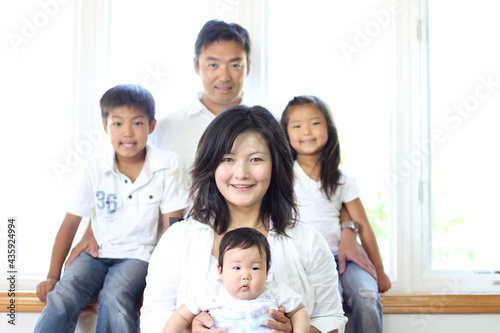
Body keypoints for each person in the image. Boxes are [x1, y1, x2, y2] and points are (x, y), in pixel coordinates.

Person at [140, 105, 347, 333]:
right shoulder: (178, 240)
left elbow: (330, 320)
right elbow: (153, 318)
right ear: (211, 165)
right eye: (228, 159)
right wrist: (189, 331)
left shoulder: (308, 242)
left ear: (276, 166)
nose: (241, 173)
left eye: (256, 159)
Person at [34, 84, 189, 333]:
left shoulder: (168, 166)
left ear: (151, 126)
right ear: (105, 126)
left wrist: (171, 276)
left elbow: (173, 228)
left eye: (137, 123)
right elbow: (70, 223)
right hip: (96, 253)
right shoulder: (93, 169)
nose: (127, 132)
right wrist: (52, 275)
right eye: (117, 123)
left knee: (115, 296)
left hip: (139, 256)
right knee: (63, 294)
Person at [280, 95, 391, 333]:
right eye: (297, 125)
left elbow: (363, 225)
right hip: (306, 261)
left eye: (315, 123)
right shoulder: (283, 176)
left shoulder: (342, 180)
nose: (307, 131)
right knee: (328, 304)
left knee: (368, 296)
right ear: (285, 133)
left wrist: (380, 273)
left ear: (329, 128)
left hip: (343, 258)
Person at [163, 227, 310, 333]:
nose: (245, 275)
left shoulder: (275, 291)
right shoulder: (211, 292)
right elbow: (181, 315)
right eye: (237, 268)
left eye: (255, 268)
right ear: (220, 270)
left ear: (267, 271)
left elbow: (299, 310)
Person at [150, 19, 252, 169]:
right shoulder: (163, 129)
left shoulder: (273, 125)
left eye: (235, 65)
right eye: (213, 65)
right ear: (196, 66)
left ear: (248, 67)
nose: (224, 77)